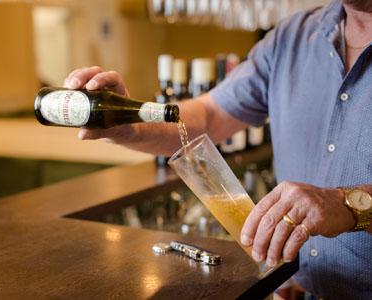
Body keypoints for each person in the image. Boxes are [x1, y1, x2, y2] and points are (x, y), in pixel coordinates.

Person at [63, 0, 372, 299]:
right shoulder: (291, 37)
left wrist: (349, 205)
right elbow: (208, 115)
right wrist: (128, 124)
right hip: (293, 290)